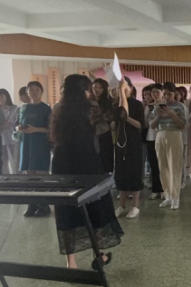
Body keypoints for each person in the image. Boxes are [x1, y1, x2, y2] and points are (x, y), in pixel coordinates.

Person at [51, 75, 123, 270]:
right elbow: (110, 121)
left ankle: (71, 262)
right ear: (84, 90)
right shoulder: (91, 108)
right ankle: (98, 254)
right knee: (94, 204)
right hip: (86, 161)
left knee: (66, 209)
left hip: (62, 162)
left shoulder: (58, 109)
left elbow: (53, 137)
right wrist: (122, 94)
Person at [18, 82, 52, 218]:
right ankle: (32, 204)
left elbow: (50, 129)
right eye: (31, 90)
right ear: (27, 92)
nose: (34, 92)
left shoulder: (46, 109)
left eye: (37, 90)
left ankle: (44, 205)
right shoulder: (24, 108)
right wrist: (19, 128)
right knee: (29, 174)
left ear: (41, 92)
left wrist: (35, 129)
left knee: (41, 174)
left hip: (40, 144)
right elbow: (17, 123)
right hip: (26, 144)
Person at [151, 82, 187, 210]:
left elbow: (183, 125)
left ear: (174, 93)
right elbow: (152, 125)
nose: (166, 96)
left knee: (175, 166)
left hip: (174, 134)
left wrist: (172, 114)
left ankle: (175, 197)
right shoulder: (158, 107)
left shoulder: (179, 106)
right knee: (163, 167)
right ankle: (168, 195)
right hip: (160, 135)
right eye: (165, 94)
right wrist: (159, 115)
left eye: (169, 94)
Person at [113, 77, 145, 220]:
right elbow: (114, 125)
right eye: (119, 88)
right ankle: (121, 205)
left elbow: (140, 125)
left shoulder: (137, 104)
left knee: (134, 172)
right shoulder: (116, 105)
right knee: (121, 172)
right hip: (120, 142)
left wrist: (126, 118)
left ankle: (135, 205)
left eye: (125, 88)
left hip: (134, 142)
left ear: (131, 89)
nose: (121, 90)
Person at [145, 84, 164, 201]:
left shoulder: (166, 105)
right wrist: (148, 112)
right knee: (154, 165)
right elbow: (146, 123)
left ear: (162, 93)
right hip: (151, 138)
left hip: (163, 137)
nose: (155, 94)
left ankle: (164, 190)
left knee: (163, 165)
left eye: (157, 92)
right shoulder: (149, 106)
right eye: (153, 92)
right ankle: (155, 189)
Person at [92, 79, 115, 174]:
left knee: (105, 156)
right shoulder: (88, 102)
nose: (97, 90)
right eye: (95, 87)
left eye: (100, 88)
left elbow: (108, 117)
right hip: (91, 133)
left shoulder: (108, 102)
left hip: (104, 132)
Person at [0, 89, 20, 174]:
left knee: (14, 162)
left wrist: (4, 125)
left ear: (7, 97)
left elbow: (13, 121)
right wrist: (3, 125)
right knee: (2, 163)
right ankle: (5, 179)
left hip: (11, 138)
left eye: (1, 96)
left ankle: (17, 179)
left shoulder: (14, 108)